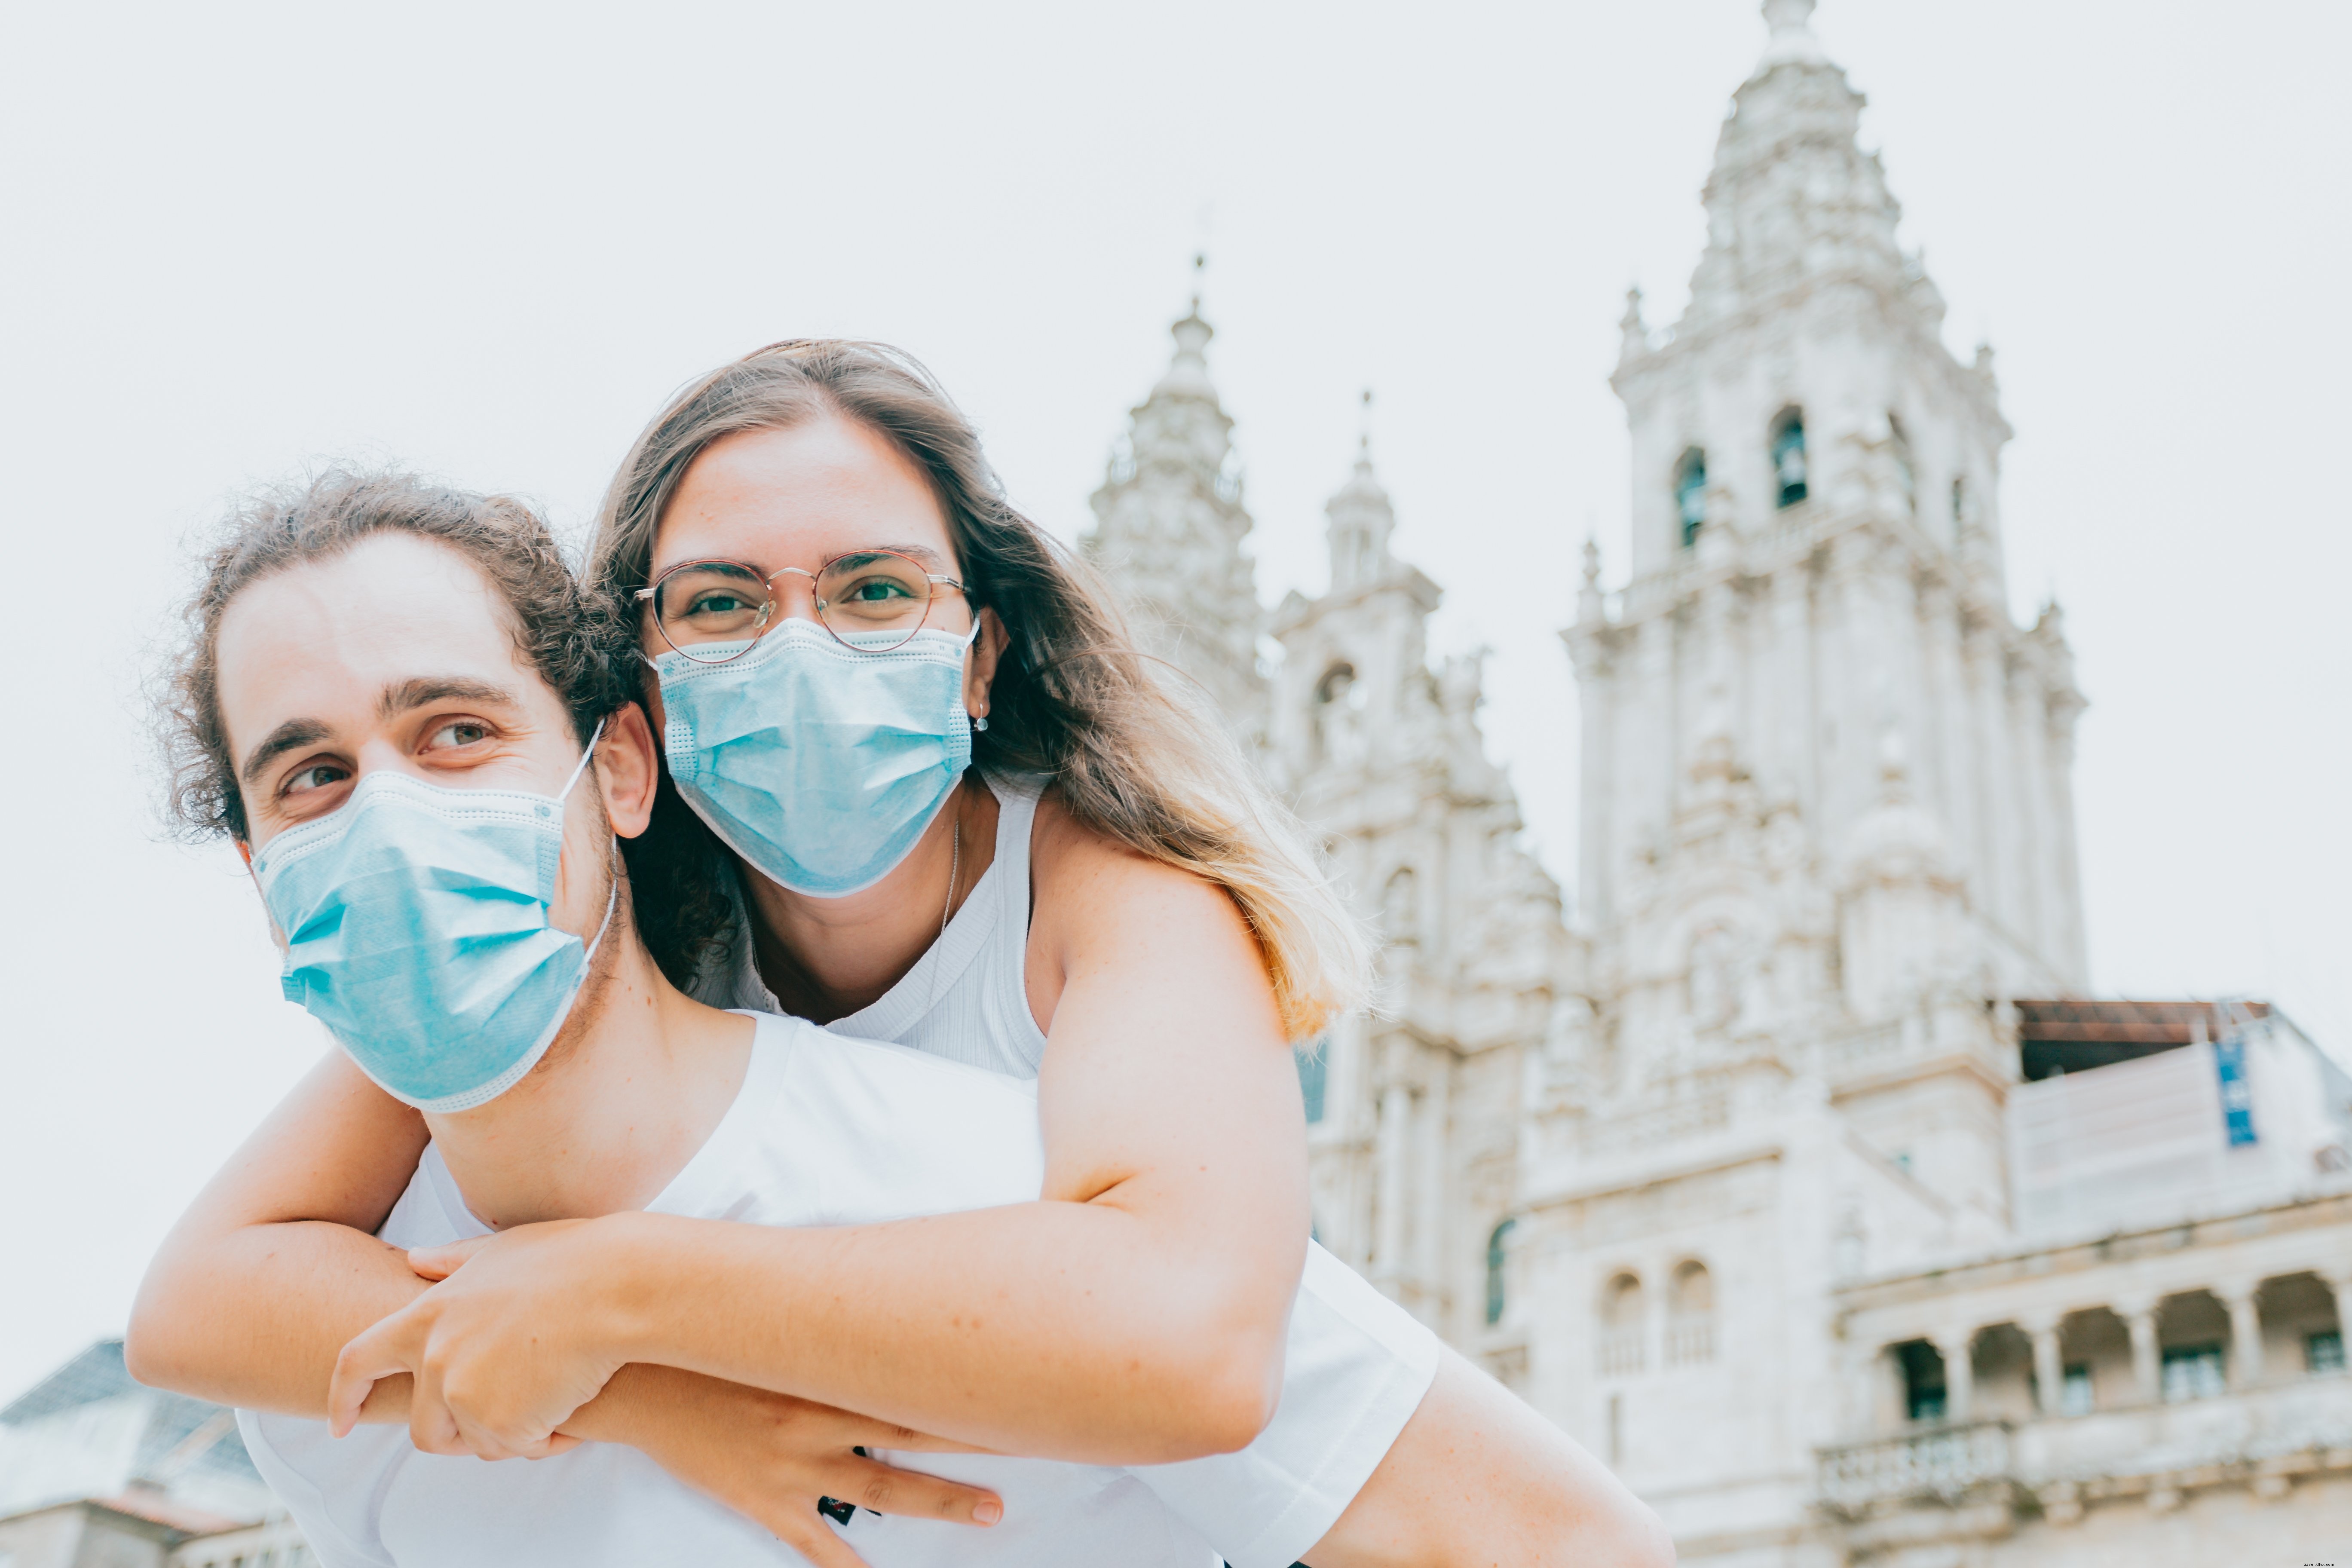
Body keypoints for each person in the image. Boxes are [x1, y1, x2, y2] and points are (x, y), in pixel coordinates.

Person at [130, 350, 1670, 1567]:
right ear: (642, 716)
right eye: (725, 605)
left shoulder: (1107, 893)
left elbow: (1198, 1336)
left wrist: (613, 1291)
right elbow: (203, 1295)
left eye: (874, 592)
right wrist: (661, 1399)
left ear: (982, 647)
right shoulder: (550, 939)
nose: (801, 655)